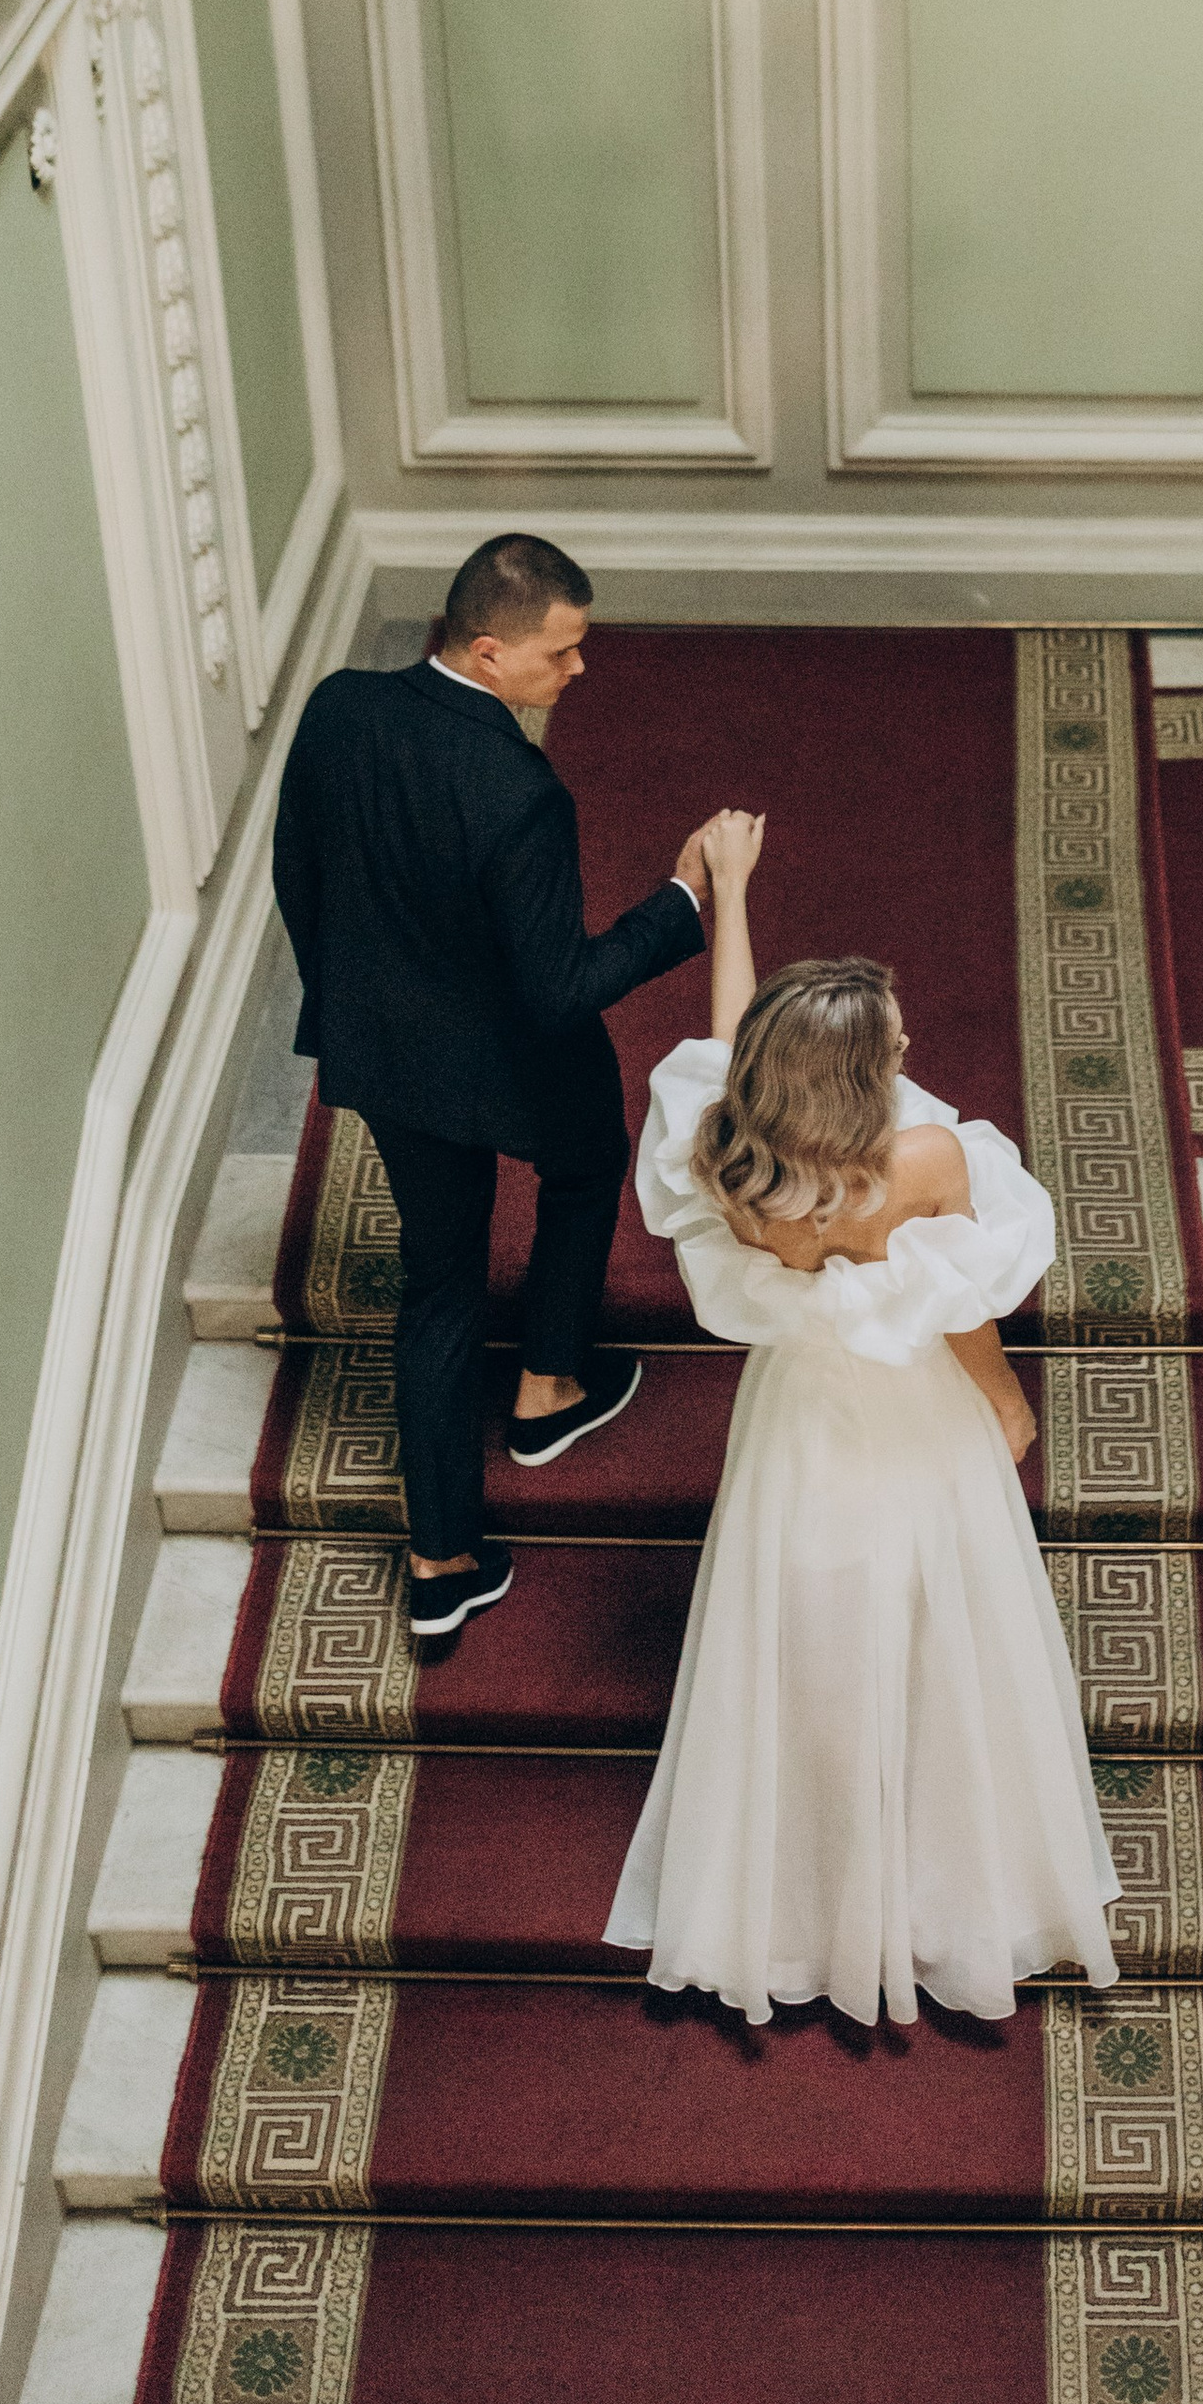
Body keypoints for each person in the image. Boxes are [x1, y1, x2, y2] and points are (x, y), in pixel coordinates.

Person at [605, 813, 1122, 2024]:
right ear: (851, 1078)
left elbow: (729, 1043)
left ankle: (802, 1900)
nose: (907, 1043)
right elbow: (959, 1305)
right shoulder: (922, 1160)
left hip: (799, 1418)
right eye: (891, 1040)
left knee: (810, 1651)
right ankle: (947, 1885)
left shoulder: (728, 1151)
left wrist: (732, 890)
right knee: (945, 1637)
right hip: (911, 1412)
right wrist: (1003, 1395)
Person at [272, 532, 753, 1641]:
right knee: (586, 1163)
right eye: (560, 653)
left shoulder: (340, 706)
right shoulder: (520, 792)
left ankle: (440, 1565)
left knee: (439, 1288)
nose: (579, 669)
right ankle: (548, 1388)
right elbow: (561, 988)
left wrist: (354, 1000)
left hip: (388, 1058)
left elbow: (298, 875)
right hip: (510, 1055)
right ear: (487, 650)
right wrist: (683, 898)